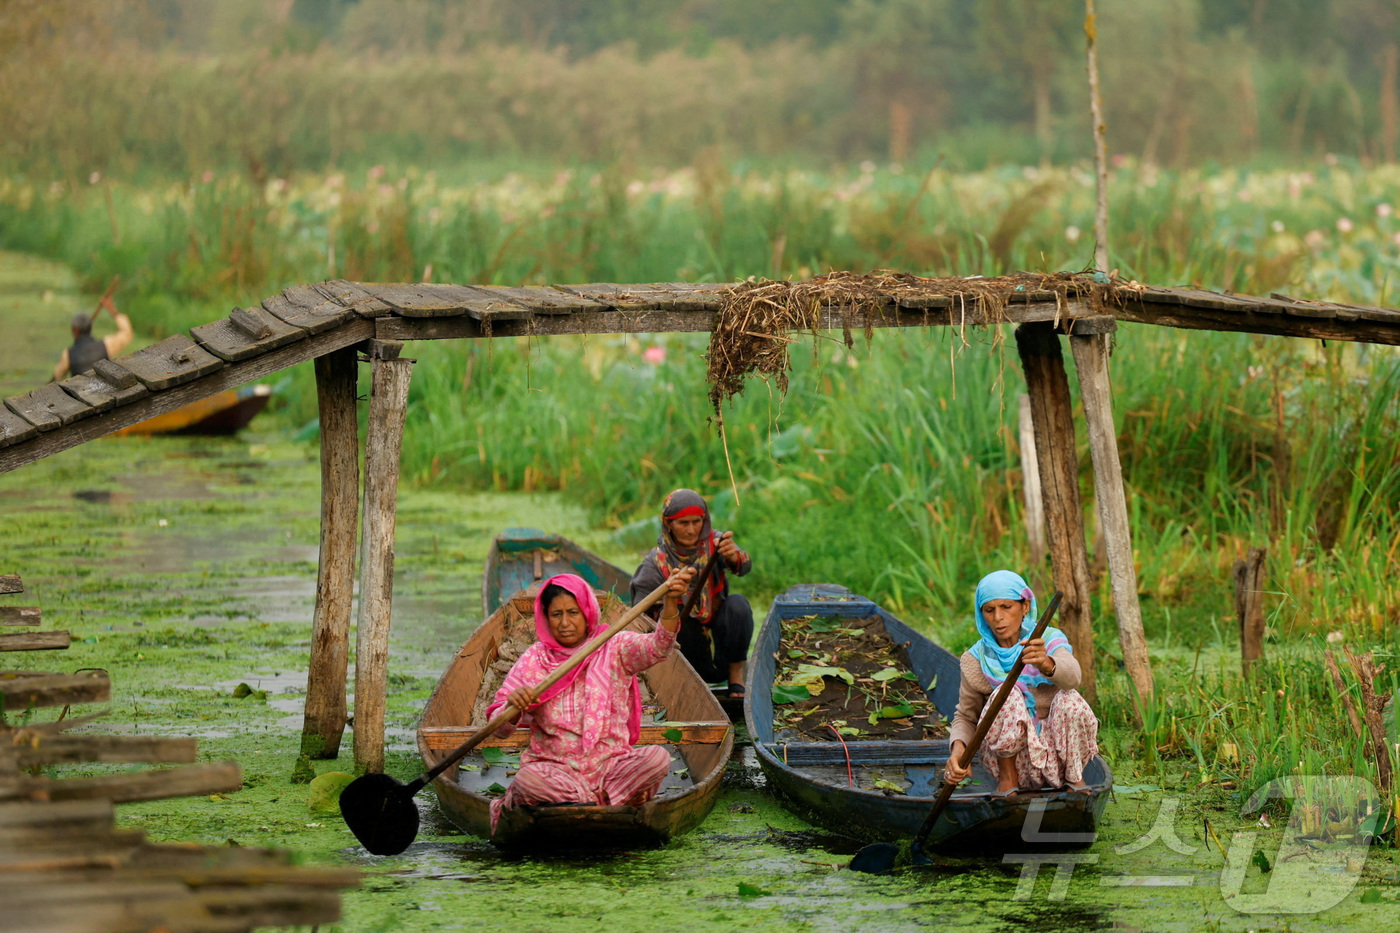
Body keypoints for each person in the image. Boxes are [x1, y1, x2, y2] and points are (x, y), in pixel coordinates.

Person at [486, 568, 695, 832]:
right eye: (556, 615)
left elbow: (659, 647)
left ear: (587, 612)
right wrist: (513, 707)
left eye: (573, 613)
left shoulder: (613, 645)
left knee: (657, 758)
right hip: (555, 772)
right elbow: (499, 728)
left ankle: (585, 802)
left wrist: (670, 601)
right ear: (545, 618)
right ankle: (605, 803)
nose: (565, 623)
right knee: (528, 781)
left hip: (610, 769)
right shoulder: (534, 659)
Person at [944, 570, 1098, 794]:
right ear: (982, 614)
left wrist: (1046, 663)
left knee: (1069, 698)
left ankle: (1075, 778)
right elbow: (967, 717)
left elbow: (1073, 677)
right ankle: (1008, 780)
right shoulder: (976, 659)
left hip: (1055, 758)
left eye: (1006, 607)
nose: (998, 618)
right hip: (1012, 762)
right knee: (1006, 694)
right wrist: (957, 752)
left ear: (1025, 606)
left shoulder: (1047, 640)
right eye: (989, 610)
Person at [629, 488, 753, 699]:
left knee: (738, 605)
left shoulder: (717, 543)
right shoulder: (655, 562)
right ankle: (687, 684)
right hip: (682, 646)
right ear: (668, 524)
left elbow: (743, 567)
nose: (691, 530)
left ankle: (735, 675)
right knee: (676, 616)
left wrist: (733, 556)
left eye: (697, 522)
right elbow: (639, 617)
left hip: (717, 632)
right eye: (683, 523)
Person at [53, 294, 133, 381]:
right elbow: (126, 333)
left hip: (81, 393)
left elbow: (58, 374)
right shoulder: (106, 346)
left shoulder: (68, 355)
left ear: (75, 330)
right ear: (91, 327)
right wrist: (112, 310)